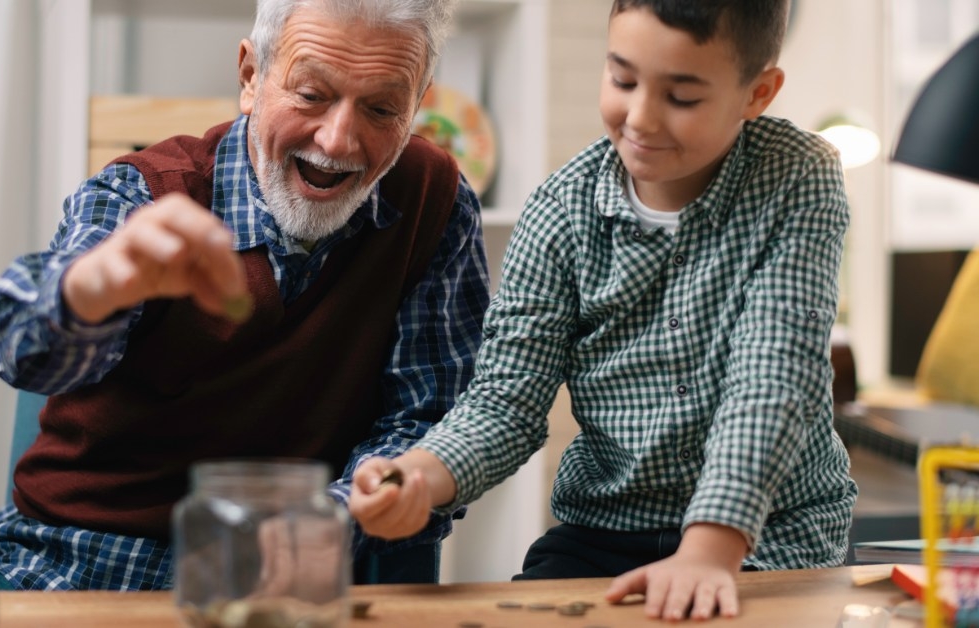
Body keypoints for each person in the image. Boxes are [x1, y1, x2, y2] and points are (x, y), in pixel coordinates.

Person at [349, 0, 857, 621]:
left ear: (759, 93)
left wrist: (712, 544)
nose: (640, 117)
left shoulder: (799, 177)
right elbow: (505, 401)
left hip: (770, 531)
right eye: (622, 79)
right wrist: (424, 476)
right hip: (607, 530)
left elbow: (772, 377)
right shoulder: (560, 211)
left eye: (683, 96)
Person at [0, 0, 490, 591]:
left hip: (284, 580)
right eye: (311, 94)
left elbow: (424, 416)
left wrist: (332, 519)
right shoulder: (142, 192)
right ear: (250, 77)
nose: (338, 140)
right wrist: (94, 285)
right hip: (76, 562)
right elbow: (25, 354)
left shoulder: (434, 203)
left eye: (380, 108)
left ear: (415, 108)